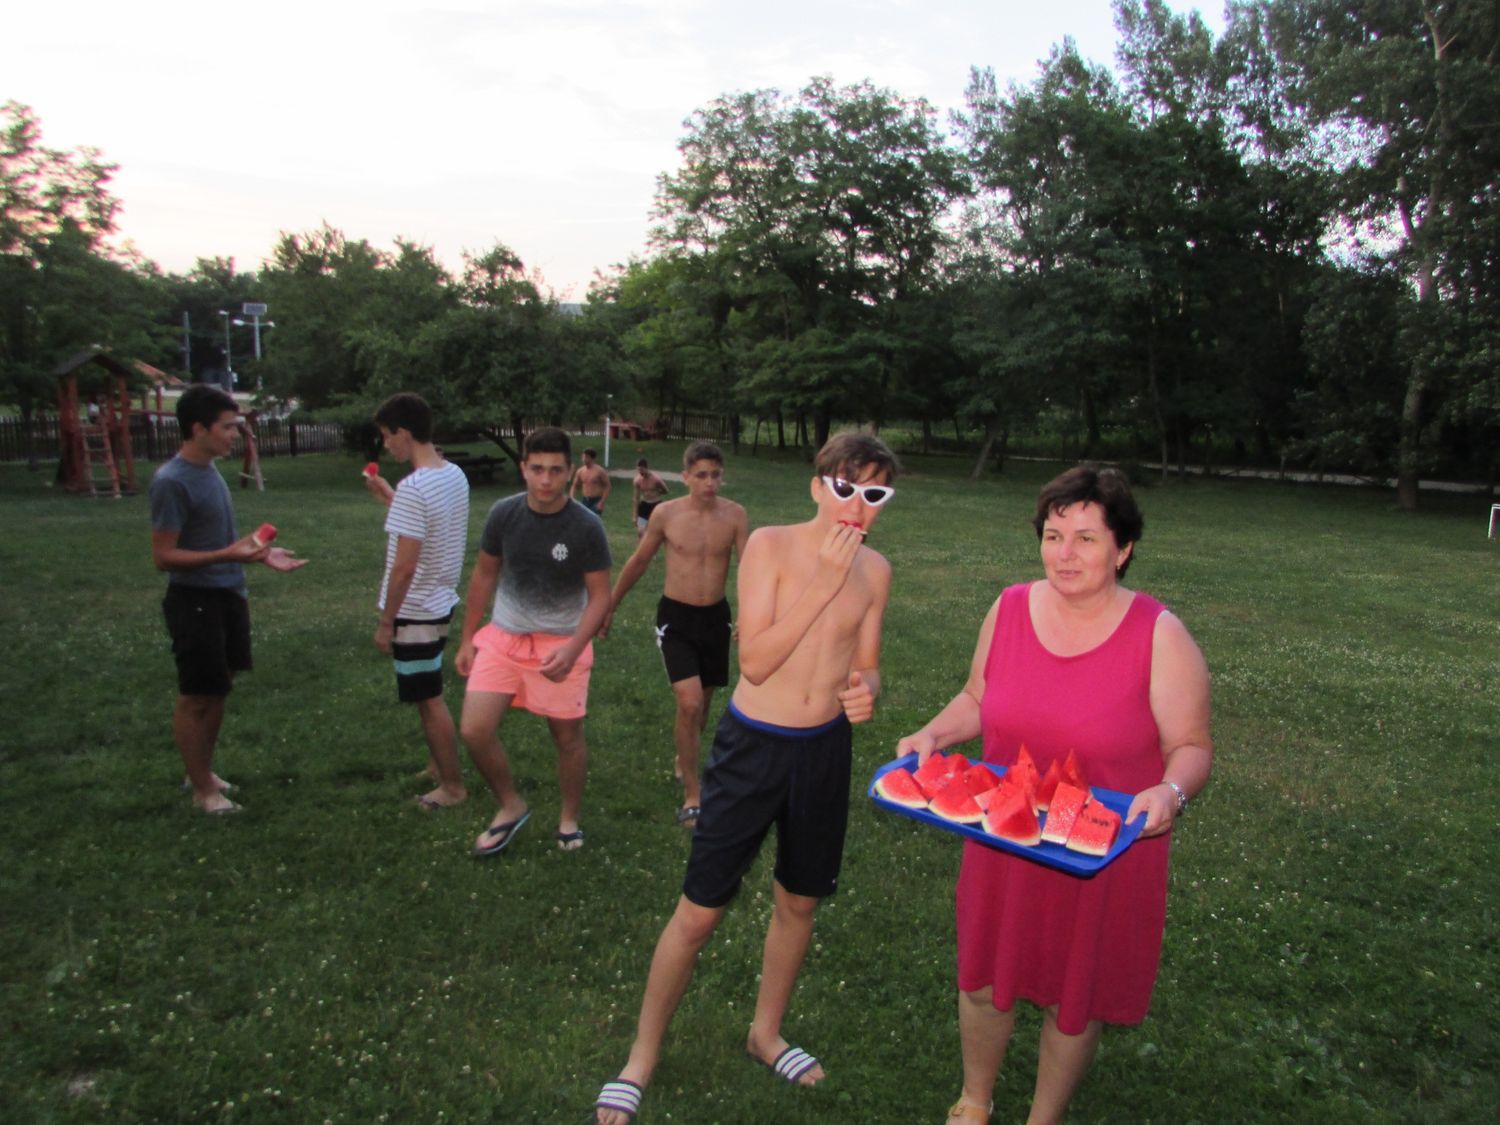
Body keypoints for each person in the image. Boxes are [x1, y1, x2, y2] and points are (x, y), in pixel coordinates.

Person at [594, 433, 899, 1125]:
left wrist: (867, 689)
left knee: (799, 902)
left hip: (824, 750)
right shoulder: (770, 546)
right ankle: (641, 1055)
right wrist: (824, 581)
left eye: (875, 494)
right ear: (817, 486)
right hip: (753, 746)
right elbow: (755, 661)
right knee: (700, 910)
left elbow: (868, 662)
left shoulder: (877, 571)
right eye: (845, 488)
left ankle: (765, 1031)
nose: (857, 506)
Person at [894, 465, 1212, 1125]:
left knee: (1075, 1000)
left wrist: (1170, 791)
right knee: (983, 980)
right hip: (1004, 836)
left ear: (1122, 549)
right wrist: (933, 733)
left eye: (1086, 538)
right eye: (1053, 535)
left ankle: (1043, 1117)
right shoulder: (1009, 607)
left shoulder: (1159, 634)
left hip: (1099, 851)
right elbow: (978, 696)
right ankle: (974, 1099)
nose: (1065, 553)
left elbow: (1191, 745)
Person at [149, 384, 307, 814]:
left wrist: (260, 554)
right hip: (194, 599)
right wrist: (227, 555)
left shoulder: (210, 470)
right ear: (199, 429)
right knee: (197, 695)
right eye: (227, 427)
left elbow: (219, 540)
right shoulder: (171, 481)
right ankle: (202, 790)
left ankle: (201, 770)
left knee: (219, 687)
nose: (235, 434)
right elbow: (163, 557)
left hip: (228, 593)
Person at [455, 427, 612, 856]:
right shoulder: (503, 514)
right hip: (503, 639)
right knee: (474, 730)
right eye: (537, 469)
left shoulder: (586, 526)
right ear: (523, 468)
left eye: (556, 470)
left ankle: (569, 818)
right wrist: (468, 638)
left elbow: (600, 596)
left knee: (567, 738)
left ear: (570, 472)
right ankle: (511, 804)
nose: (545, 480)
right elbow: (484, 575)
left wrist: (574, 648)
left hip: (561, 643)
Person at [600, 441, 749, 826]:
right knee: (689, 703)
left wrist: (751, 615)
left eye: (715, 475)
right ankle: (693, 795)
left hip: (715, 619)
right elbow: (639, 560)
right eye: (701, 475)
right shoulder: (666, 514)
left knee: (703, 704)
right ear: (685, 477)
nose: (709, 482)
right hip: (676, 619)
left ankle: (685, 754)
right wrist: (610, 606)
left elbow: (749, 569)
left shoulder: (734, 515)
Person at [365, 393, 471, 810]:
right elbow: (431, 520)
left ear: (404, 433)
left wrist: (386, 622)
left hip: (415, 610)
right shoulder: (452, 474)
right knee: (431, 687)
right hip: (441, 600)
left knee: (428, 698)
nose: (386, 444)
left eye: (387, 435)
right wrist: (391, 498)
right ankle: (436, 764)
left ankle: (452, 786)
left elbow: (405, 568)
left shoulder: (415, 488)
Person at [631, 457, 671, 541]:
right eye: (639, 470)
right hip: (644, 505)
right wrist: (635, 515)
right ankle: (640, 548)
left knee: (654, 532)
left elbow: (666, 490)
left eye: (642, 470)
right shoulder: (637, 480)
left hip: (656, 505)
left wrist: (657, 493)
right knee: (640, 532)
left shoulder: (656, 479)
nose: (640, 472)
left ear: (646, 468)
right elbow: (636, 498)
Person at [570, 447, 611, 516]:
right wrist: (572, 498)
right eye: (583, 457)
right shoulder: (580, 471)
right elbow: (574, 486)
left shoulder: (599, 471)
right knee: (583, 520)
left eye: (586, 457)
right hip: (585, 500)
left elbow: (607, 486)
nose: (583, 459)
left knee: (594, 520)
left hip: (596, 500)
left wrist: (602, 501)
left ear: (591, 458)